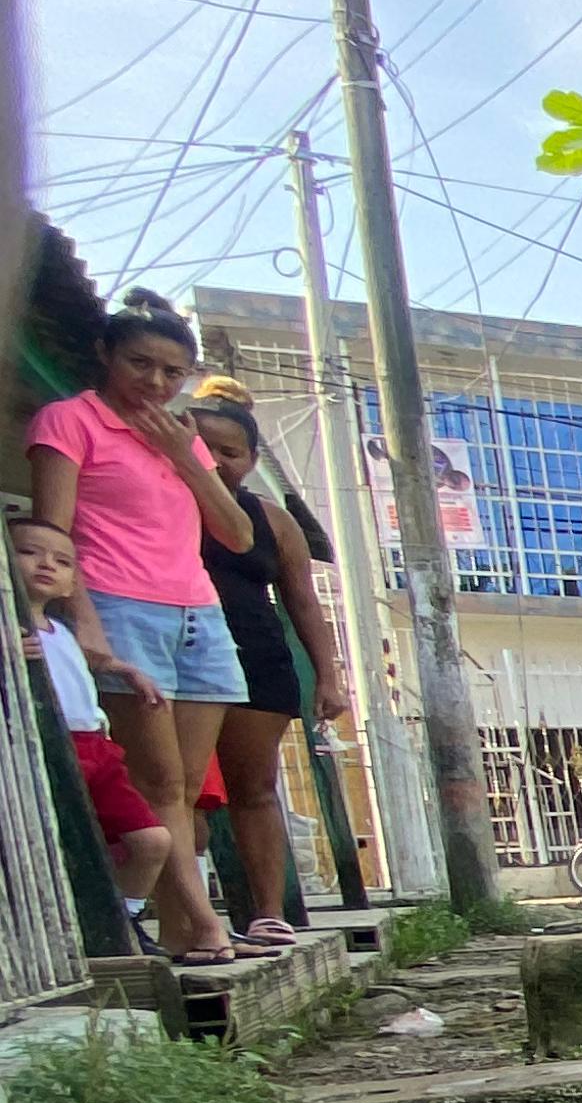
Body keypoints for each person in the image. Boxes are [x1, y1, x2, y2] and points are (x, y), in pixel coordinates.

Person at [22, 288, 265, 963]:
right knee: (155, 782)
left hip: (199, 613)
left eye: (173, 371)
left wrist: (186, 456)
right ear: (106, 354)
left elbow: (238, 535)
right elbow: (54, 533)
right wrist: (86, 624)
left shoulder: (183, 437)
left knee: (187, 787)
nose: (156, 382)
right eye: (141, 364)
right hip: (119, 606)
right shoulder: (68, 421)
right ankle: (203, 925)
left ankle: (185, 929)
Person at [185, 379, 355, 944]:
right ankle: (190, 917)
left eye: (230, 452)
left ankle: (267, 912)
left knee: (254, 787)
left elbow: (303, 601)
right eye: (203, 447)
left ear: (252, 460)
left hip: (257, 659)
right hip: (178, 654)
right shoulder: (162, 503)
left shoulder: (273, 520)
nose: (216, 461)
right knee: (180, 789)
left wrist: (328, 677)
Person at [12, 511, 217, 955]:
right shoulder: (12, 632)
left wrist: (128, 671)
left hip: (97, 748)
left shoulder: (63, 632)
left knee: (151, 840)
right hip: (45, 748)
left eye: (63, 562)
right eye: (28, 553)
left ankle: (124, 920)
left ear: (72, 583)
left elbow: (92, 664)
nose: (46, 564)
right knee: (54, 845)